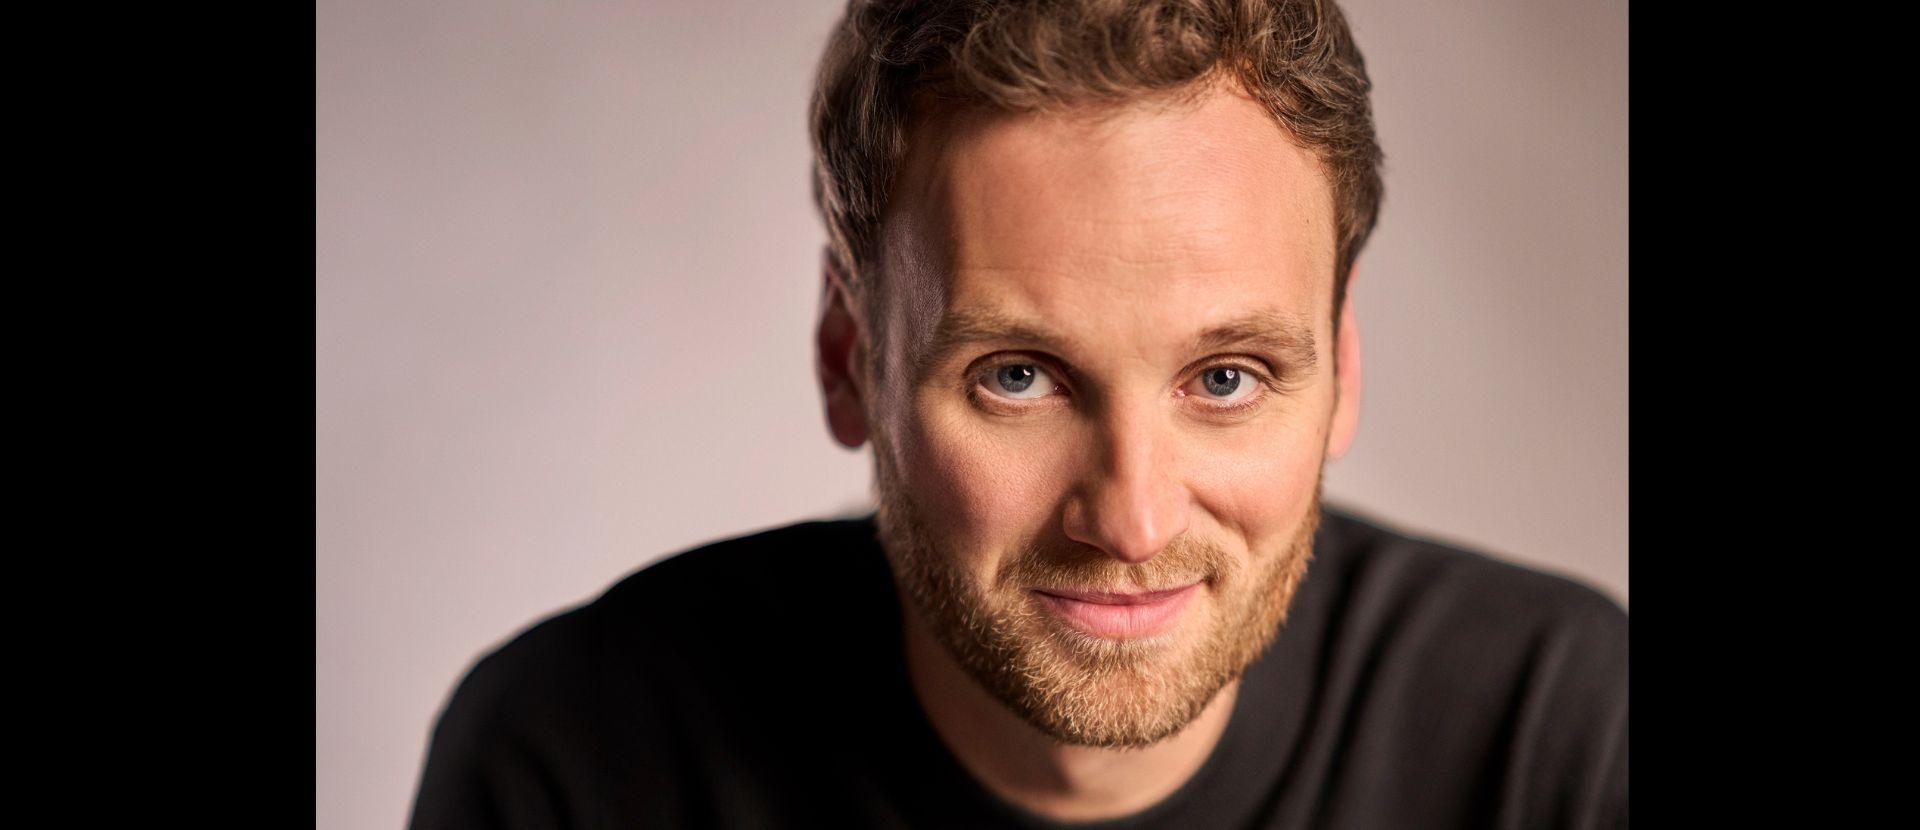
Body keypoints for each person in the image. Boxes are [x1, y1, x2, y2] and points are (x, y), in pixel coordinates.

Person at [407, 0, 1628, 827]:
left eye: (1226, 377)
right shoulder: (578, 758)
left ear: (1343, 368)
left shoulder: (1563, 739)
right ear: (850, 357)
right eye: (1018, 377)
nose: (1133, 519)